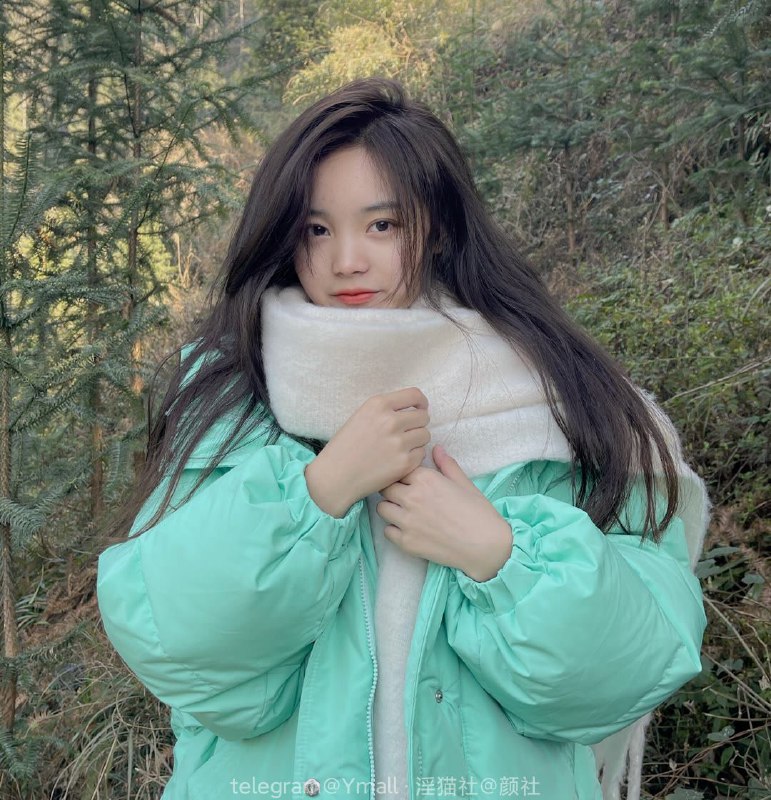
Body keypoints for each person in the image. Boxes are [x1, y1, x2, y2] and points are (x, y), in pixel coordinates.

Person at [96, 77, 709, 800]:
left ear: (438, 226)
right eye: (316, 230)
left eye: (382, 225)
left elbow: (631, 666)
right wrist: (317, 494)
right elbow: (174, 639)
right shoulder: (231, 392)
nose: (346, 260)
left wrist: (500, 559)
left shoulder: (556, 396)